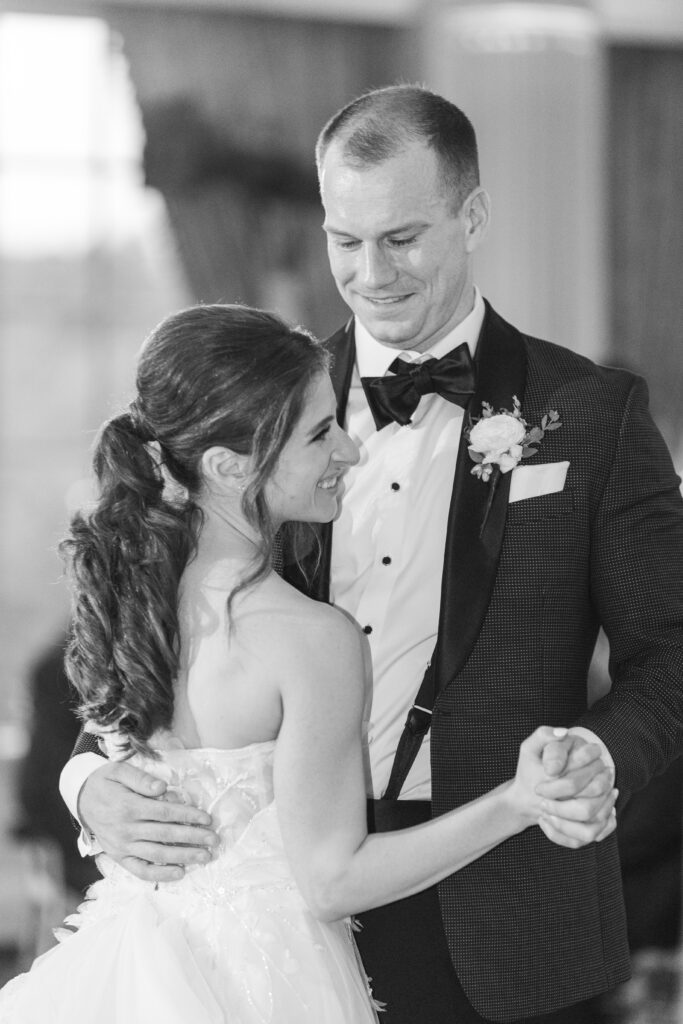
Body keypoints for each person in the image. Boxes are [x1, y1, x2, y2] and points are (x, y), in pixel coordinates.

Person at [62, 85, 683, 1023]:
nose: (370, 273)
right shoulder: (269, 411)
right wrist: (89, 780)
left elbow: (671, 648)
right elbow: (157, 618)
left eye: (401, 238)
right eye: (343, 241)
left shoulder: (592, 415)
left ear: (471, 215)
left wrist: (596, 754)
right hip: (279, 914)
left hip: (511, 902)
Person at [0, 304, 615, 1023]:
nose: (349, 452)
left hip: (135, 970)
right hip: (270, 983)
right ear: (230, 466)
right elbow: (331, 880)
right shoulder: (310, 638)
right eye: (319, 434)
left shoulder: (133, 598)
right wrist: (518, 801)